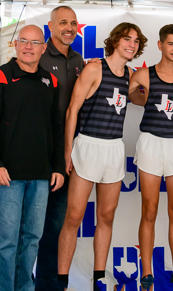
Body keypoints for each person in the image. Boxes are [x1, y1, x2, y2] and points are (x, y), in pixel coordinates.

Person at [56, 22, 144, 290]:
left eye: (137, 41)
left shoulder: (132, 75)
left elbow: (146, 97)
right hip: (88, 145)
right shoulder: (95, 68)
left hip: (114, 148)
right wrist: (68, 150)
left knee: (106, 216)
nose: (132, 44)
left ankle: (99, 279)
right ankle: (62, 281)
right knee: (73, 216)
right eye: (128, 39)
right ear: (116, 40)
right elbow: (73, 110)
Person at [0, 24, 65, 291]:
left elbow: (55, 127)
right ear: (15, 45)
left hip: (40, 177)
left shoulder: (50, 81)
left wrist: (58, 167)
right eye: (23, 41)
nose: (29, 47)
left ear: (43, 48)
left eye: (35, 42)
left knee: (31, 240)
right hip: (7, 177)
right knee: (6, 243)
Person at [128, 24, 173, 291]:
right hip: (151, 143)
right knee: (149, 211)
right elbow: (129, 97)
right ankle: (146, 272)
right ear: (160, 45)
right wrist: (137, 93)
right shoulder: (143, 74)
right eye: (171, 44)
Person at [35, 5, 86, 291]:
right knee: (32, 226)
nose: (69, 27)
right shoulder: (38, 55)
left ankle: (48, 285)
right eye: (63, 22)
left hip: (67, 153)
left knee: (56, 223)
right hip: (39, 149)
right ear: (51, 26)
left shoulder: (80, 60)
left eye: (73, 23)